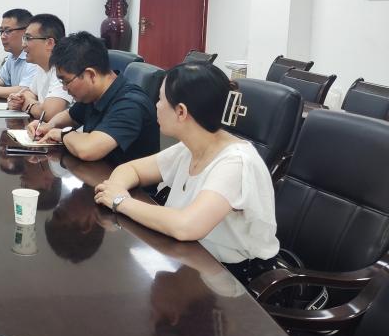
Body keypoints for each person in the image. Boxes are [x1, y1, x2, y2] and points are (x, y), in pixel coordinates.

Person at [92, 63, 280, 285]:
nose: (156, 105)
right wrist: (116, 190)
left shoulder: (235, 162)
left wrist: (120, 201)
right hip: (191, 258)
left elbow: (186, 226)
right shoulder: (190, 147)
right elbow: (129, 169)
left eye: (160, 99)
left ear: (181, 111)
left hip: (233, 278)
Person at [27, 31, 158, 164]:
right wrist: (48, 126)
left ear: (91, 75)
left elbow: (88, 150)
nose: (64, 88)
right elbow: (70, 116)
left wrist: (62, 134)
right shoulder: (94, 93)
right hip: (98, 171)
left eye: (66, 81)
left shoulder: (130, 104)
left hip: (120, 176)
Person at [6, 13, 72, 121]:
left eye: (28, 38)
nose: (23, 45)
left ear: (49, 43)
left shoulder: (64, 68)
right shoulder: (41, 66)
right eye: (24, 38)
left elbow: (48, 114)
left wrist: (28, 105)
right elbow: (29, 93)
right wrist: (20, 101)